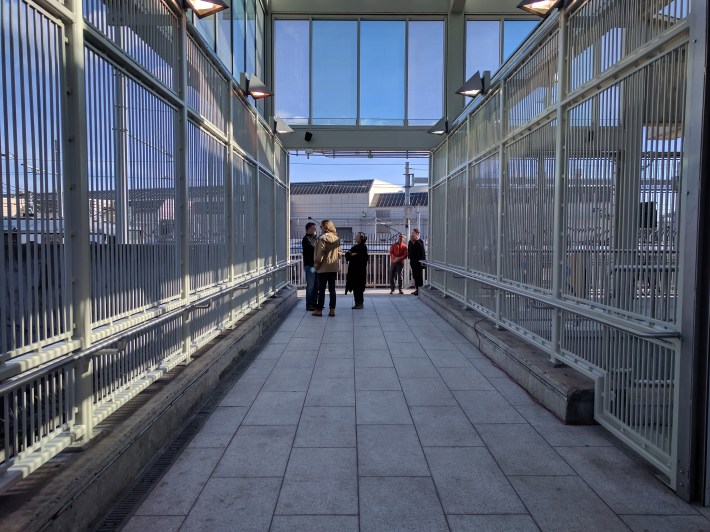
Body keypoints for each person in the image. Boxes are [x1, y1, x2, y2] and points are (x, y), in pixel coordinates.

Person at [312, 219, 341, 317]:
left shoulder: (322, 239)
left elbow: (319, 255)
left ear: (324, 227)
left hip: (323, 268)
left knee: (322, 289)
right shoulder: (336, 238)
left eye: (320, 227)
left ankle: (319, 310)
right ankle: (332, 310)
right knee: (332, 290)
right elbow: (339, 253)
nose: (320, 229)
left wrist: (316, 265)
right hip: (333, 267)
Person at [345, 232, 369, 309]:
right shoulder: (355, 247)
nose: (355, 237)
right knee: (355, 287)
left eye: (357, 236)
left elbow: (362, 258)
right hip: (353, 271)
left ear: (361, 238)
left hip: (360, 271)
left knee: (359, 288)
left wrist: (353, 255)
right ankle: (356, 303)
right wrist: (351, 255)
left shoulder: (363, 247)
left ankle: (360, 303)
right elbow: (347, 254)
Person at [302, 222, 319, 311]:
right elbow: (314, 248)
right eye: (313, 228)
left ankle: (314, 303)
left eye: (315, 228)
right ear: (308, 229)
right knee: (311, 286)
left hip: (316, 265)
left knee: (316, 286)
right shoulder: (306, 239)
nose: (315, 230)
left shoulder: (315, 238)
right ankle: (309, 304)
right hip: (310, 266)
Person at [408, 228, 426, 296]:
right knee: (415, 276)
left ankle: (420, 290)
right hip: (413, 262)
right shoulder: (410, 242)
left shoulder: (420, 241)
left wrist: (416, 240)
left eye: (414, 233)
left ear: (417, 234)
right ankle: (416, 289)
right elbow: (409, 251)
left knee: (419, 277)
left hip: (418, 263)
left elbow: (422, 252)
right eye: (412, 233)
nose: (412, 234)